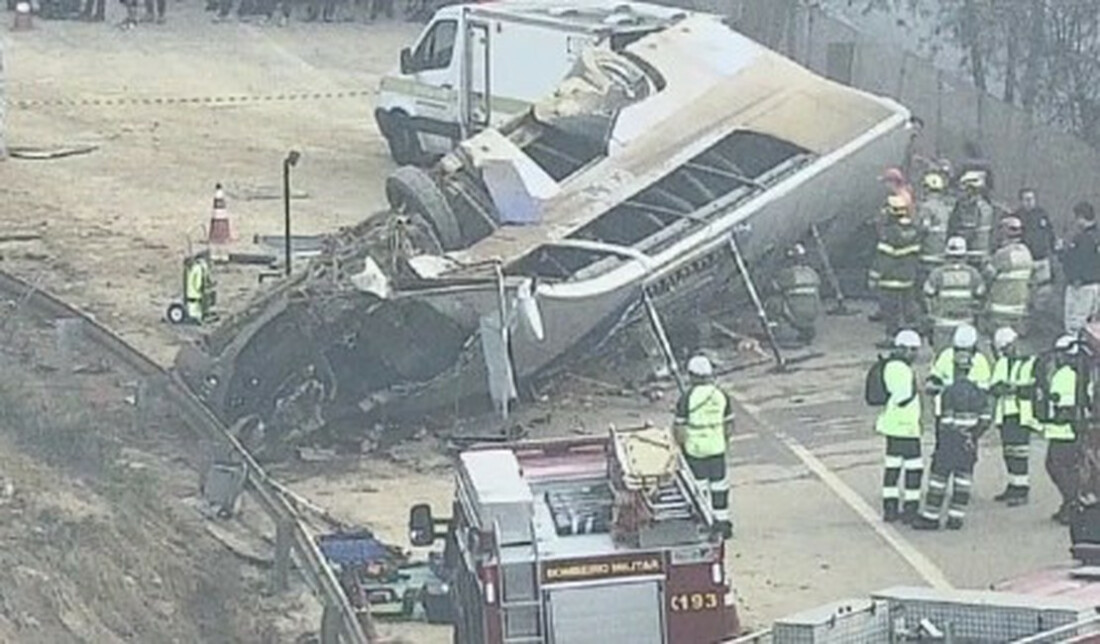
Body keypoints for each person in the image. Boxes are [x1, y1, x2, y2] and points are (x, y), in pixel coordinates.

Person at [910, 346, 989, 530]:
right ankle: (956, 518)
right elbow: (986, 419)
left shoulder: (950, 392)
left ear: (955, 368)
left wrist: (954, 436)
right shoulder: (978, 392)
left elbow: (946, 421)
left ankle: (931, 517)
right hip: (969, 444)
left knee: (938, 480)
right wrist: (972, 435)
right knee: (963, 481)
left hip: (950, 443)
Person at [673, 355, 734, 539]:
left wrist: (680, 447)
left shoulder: (687, 398)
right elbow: (729, 426)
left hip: (695, 450)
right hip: (717, 449)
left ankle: (704, 523)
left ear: (692, 375)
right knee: (719, 487)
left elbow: (680, 429)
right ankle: (722, 523)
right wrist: (722, 441)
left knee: (699, 489)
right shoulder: (721, 395)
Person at [874, 329, 924, 523]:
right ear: (903, 349)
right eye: (913, 350)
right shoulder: (901, 369)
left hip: (893, 425)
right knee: (914, 468)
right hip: (906, 426)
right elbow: (903, 397)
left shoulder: (890, 366)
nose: (915, 354)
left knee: (893, 466)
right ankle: (910, 508)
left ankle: (890, 508)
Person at [989, 326, 1039, 506]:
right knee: (1009, 452)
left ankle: (1021, 490)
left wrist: (1015, 389)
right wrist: (1003, 388)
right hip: (1005, 414)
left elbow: (1035, 388)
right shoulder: (1002, 363)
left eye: (1008, 346)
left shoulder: (1030, 362)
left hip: (1021, 414)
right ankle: (1013, 486)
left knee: (1019, 453)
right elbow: (994, 387)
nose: (1007, 351)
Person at [871, 195, 921, 348]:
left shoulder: (890, 233)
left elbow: (883, 258)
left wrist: (874, 277)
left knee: (891, 311)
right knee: (907, 310)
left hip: (890, 280)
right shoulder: (913, 230)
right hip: (907, 278)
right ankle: (909, 337)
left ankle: (892, 338)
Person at [1043, 335, 1082, 524]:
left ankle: (1072, 503)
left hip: (1066, 430)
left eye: (1060, 353)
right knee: (1059, 467)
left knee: (1060, 467)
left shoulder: (1068, 374)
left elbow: (1068, 404)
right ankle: (1070, 502)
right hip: (1061, 429)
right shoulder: (1070, 372)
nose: (1057, 357)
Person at [923, 236, 985, 354]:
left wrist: (932, 315)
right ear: (965, 256)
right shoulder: (973, 273)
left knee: (942, 356)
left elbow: (928, 295)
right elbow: (980, 295)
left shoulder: (937, 273)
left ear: (946, 255)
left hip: (942, 323)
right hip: (965, 322)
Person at [926, 323, 992, 428]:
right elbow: (933, 380)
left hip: (971, 414)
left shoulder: (980, 360)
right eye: (958, 349)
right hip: (945, 412)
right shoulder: (946, 355)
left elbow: (984, 390)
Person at [982, 217, 1034, 336]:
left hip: (1000, 308)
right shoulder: (1026, 252)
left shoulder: (1003, 254)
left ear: (1004, 232)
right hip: (1019, 307)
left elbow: (987, 276)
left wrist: (985, 262)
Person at [767, 244, 821, 349]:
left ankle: (773, 333)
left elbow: (773, 287)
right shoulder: (812, 272)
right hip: (813, 313)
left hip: (795, 313)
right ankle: (806, 329)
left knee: (772, 302)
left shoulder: (787, 273)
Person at [1058, 201, 1100, 335]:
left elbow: (1075, 261)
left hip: (1080, 286)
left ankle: (1073, 345)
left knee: (1075, 323)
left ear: (1081, 217)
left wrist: (1061, 252)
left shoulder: (1083, 239)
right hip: (1095, 284)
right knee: (1091, 324)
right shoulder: (1097, 236)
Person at [948, 170, 995, 268]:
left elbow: (968, 230)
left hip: (972, 256)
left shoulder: (971, 207)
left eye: (964, 190)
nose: (961, 193)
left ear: (971, 190)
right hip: (984, 254)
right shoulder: (987, 206)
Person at [1012, 188, 1055, 290]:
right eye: (1027, 199)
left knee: (1043, 289)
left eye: (1032, 199)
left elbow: (1050, 233)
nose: (1030, 202)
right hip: (1025, 260)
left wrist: (1051, 248)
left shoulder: (1042, 214)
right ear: (1021, 201)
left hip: (1041, 258)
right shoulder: (1016, 217)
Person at [916, 170, 955, 276]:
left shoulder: (926, 207)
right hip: (942, 254)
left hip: (927, 255)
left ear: (927, 189)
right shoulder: (944, 207)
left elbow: (923, 229)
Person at [185, 256, 210, 324]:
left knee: (195, 306)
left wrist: (198, 288)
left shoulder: (196, 269)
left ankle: (197, 318)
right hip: (193, 292)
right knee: (195, 305)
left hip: (194, 293)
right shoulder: (196, 268)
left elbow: (198, 281)